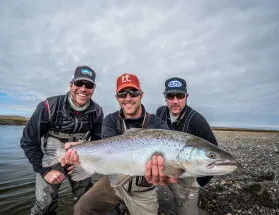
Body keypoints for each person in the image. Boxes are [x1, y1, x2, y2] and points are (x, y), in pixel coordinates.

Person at [62, 73, 177, 215]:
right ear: (117, 98)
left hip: (142, 191)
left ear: (141, 95)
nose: (128, 98)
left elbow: (168, 166)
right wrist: (81, 153)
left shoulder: (158, 125)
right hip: (113, 184)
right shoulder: (110, 120)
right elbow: (104, 153)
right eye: (122, 94)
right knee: (81, 208)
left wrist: (164, 175)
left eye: (133, 93)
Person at [20, 65, 104, 215]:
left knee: (86, 200)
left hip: (80, 158)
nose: (83, 89)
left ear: (93, 89)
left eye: (89, 85)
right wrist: (45, 171)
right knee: (44, 204)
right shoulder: (48, 106)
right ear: (70, 85)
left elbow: (97, 141)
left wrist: (89, 163)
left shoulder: (97, 111)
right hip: (51, 158)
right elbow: (28, 141)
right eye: (79, 83)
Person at [156, 77, 218, 215]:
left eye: (180, 95)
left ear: (186, 97)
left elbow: (214, 155)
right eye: (171, 96)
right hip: (163, 168)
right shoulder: (160, 113)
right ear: (165, 98)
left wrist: (199, 183)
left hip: (186, 177)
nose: (175, 101)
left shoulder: (197, 121)